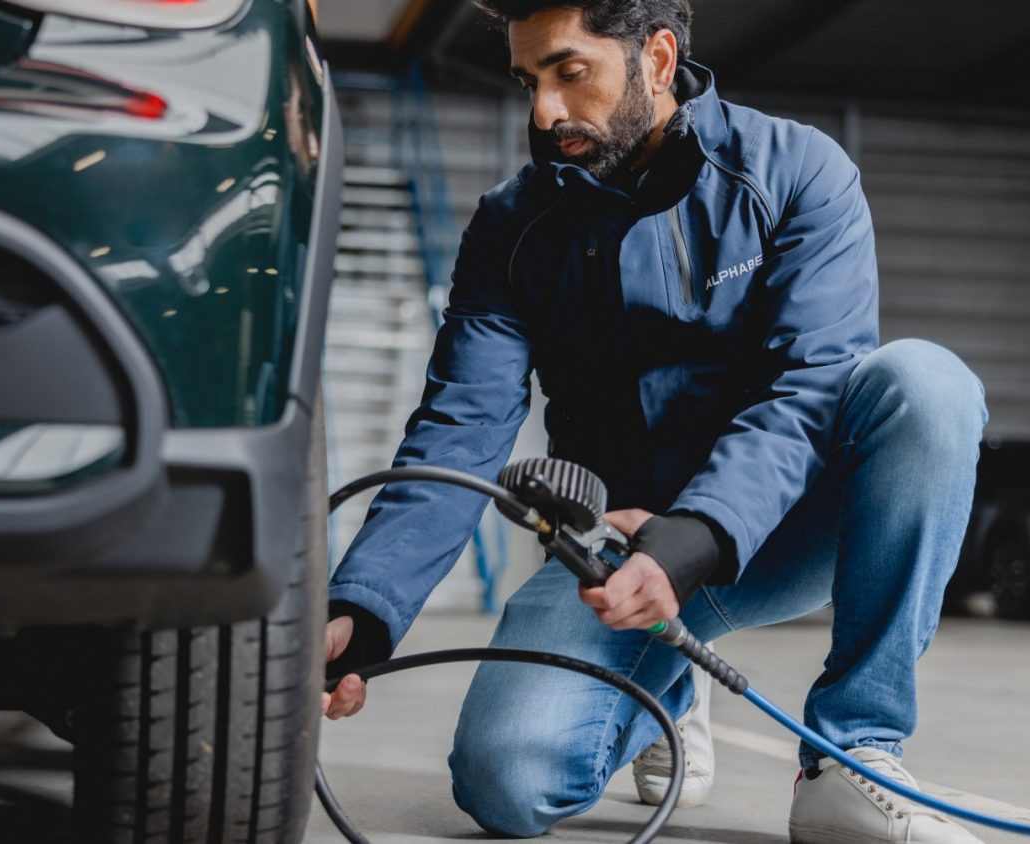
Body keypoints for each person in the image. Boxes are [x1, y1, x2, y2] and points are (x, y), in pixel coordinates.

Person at [321, 2, 989, 842]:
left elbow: (812, 385)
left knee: (926, 385)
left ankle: (852, 753)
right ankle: (672, 681)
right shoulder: (512, 228)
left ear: (659, 58)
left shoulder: (795, 171)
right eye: (530, 81)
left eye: (571, 72)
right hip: (619, 556)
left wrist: (694, 538)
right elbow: (461, 421)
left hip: (784, 524)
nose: (544, 113)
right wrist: (368, 609)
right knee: (506, 782)